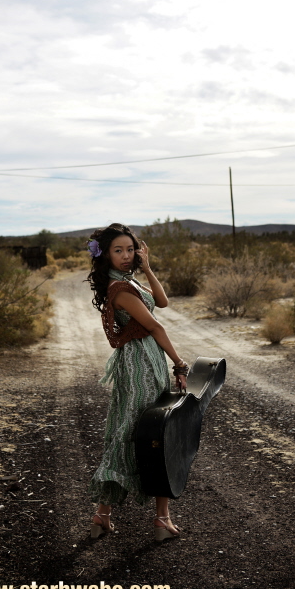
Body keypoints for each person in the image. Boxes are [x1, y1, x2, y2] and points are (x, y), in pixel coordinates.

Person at [86, 223, 189, 542]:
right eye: (118, 250)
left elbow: (163, 301)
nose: (127, 255)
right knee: (153, 436)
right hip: (141, 366)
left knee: (134, 432)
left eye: (131, 249)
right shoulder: (120, 291)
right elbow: (157, 328)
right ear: (104, 256)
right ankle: (161, 520)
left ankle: (103, 516)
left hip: (146, 362)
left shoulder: (127, 282)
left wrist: (148, 268)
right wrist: (180, 363)